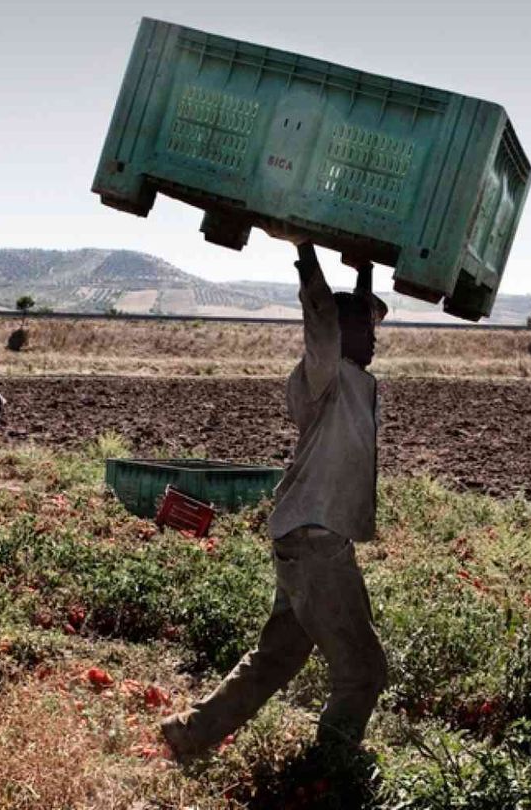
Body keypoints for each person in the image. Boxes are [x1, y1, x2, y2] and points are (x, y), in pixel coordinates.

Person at [161, 240, 389, 762]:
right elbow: (323, 320)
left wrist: (366, 275)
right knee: (363, 670)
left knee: (279, 656)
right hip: (315, 543)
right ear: (340, 331)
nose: (376, 338)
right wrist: (305, 250)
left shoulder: (352, 377)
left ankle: (189, 732)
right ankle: (328, 769)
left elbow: (344, 321)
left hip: (307, 539)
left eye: (377, 327)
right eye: (367, 326)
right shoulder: (324, 375)